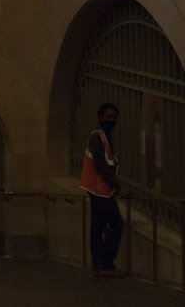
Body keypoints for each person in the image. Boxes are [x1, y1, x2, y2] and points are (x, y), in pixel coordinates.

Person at [80, 102, 125, 277]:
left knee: (98, 226)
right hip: (99, 189)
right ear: (100, 117)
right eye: (107, 117)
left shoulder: (104, 136)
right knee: (116, 224)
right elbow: (100, 165)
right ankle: (105, 262)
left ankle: (99, 263)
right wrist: (118, 186)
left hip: (99, 188)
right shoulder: (97, 136)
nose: (111, 120)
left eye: (113, 117)